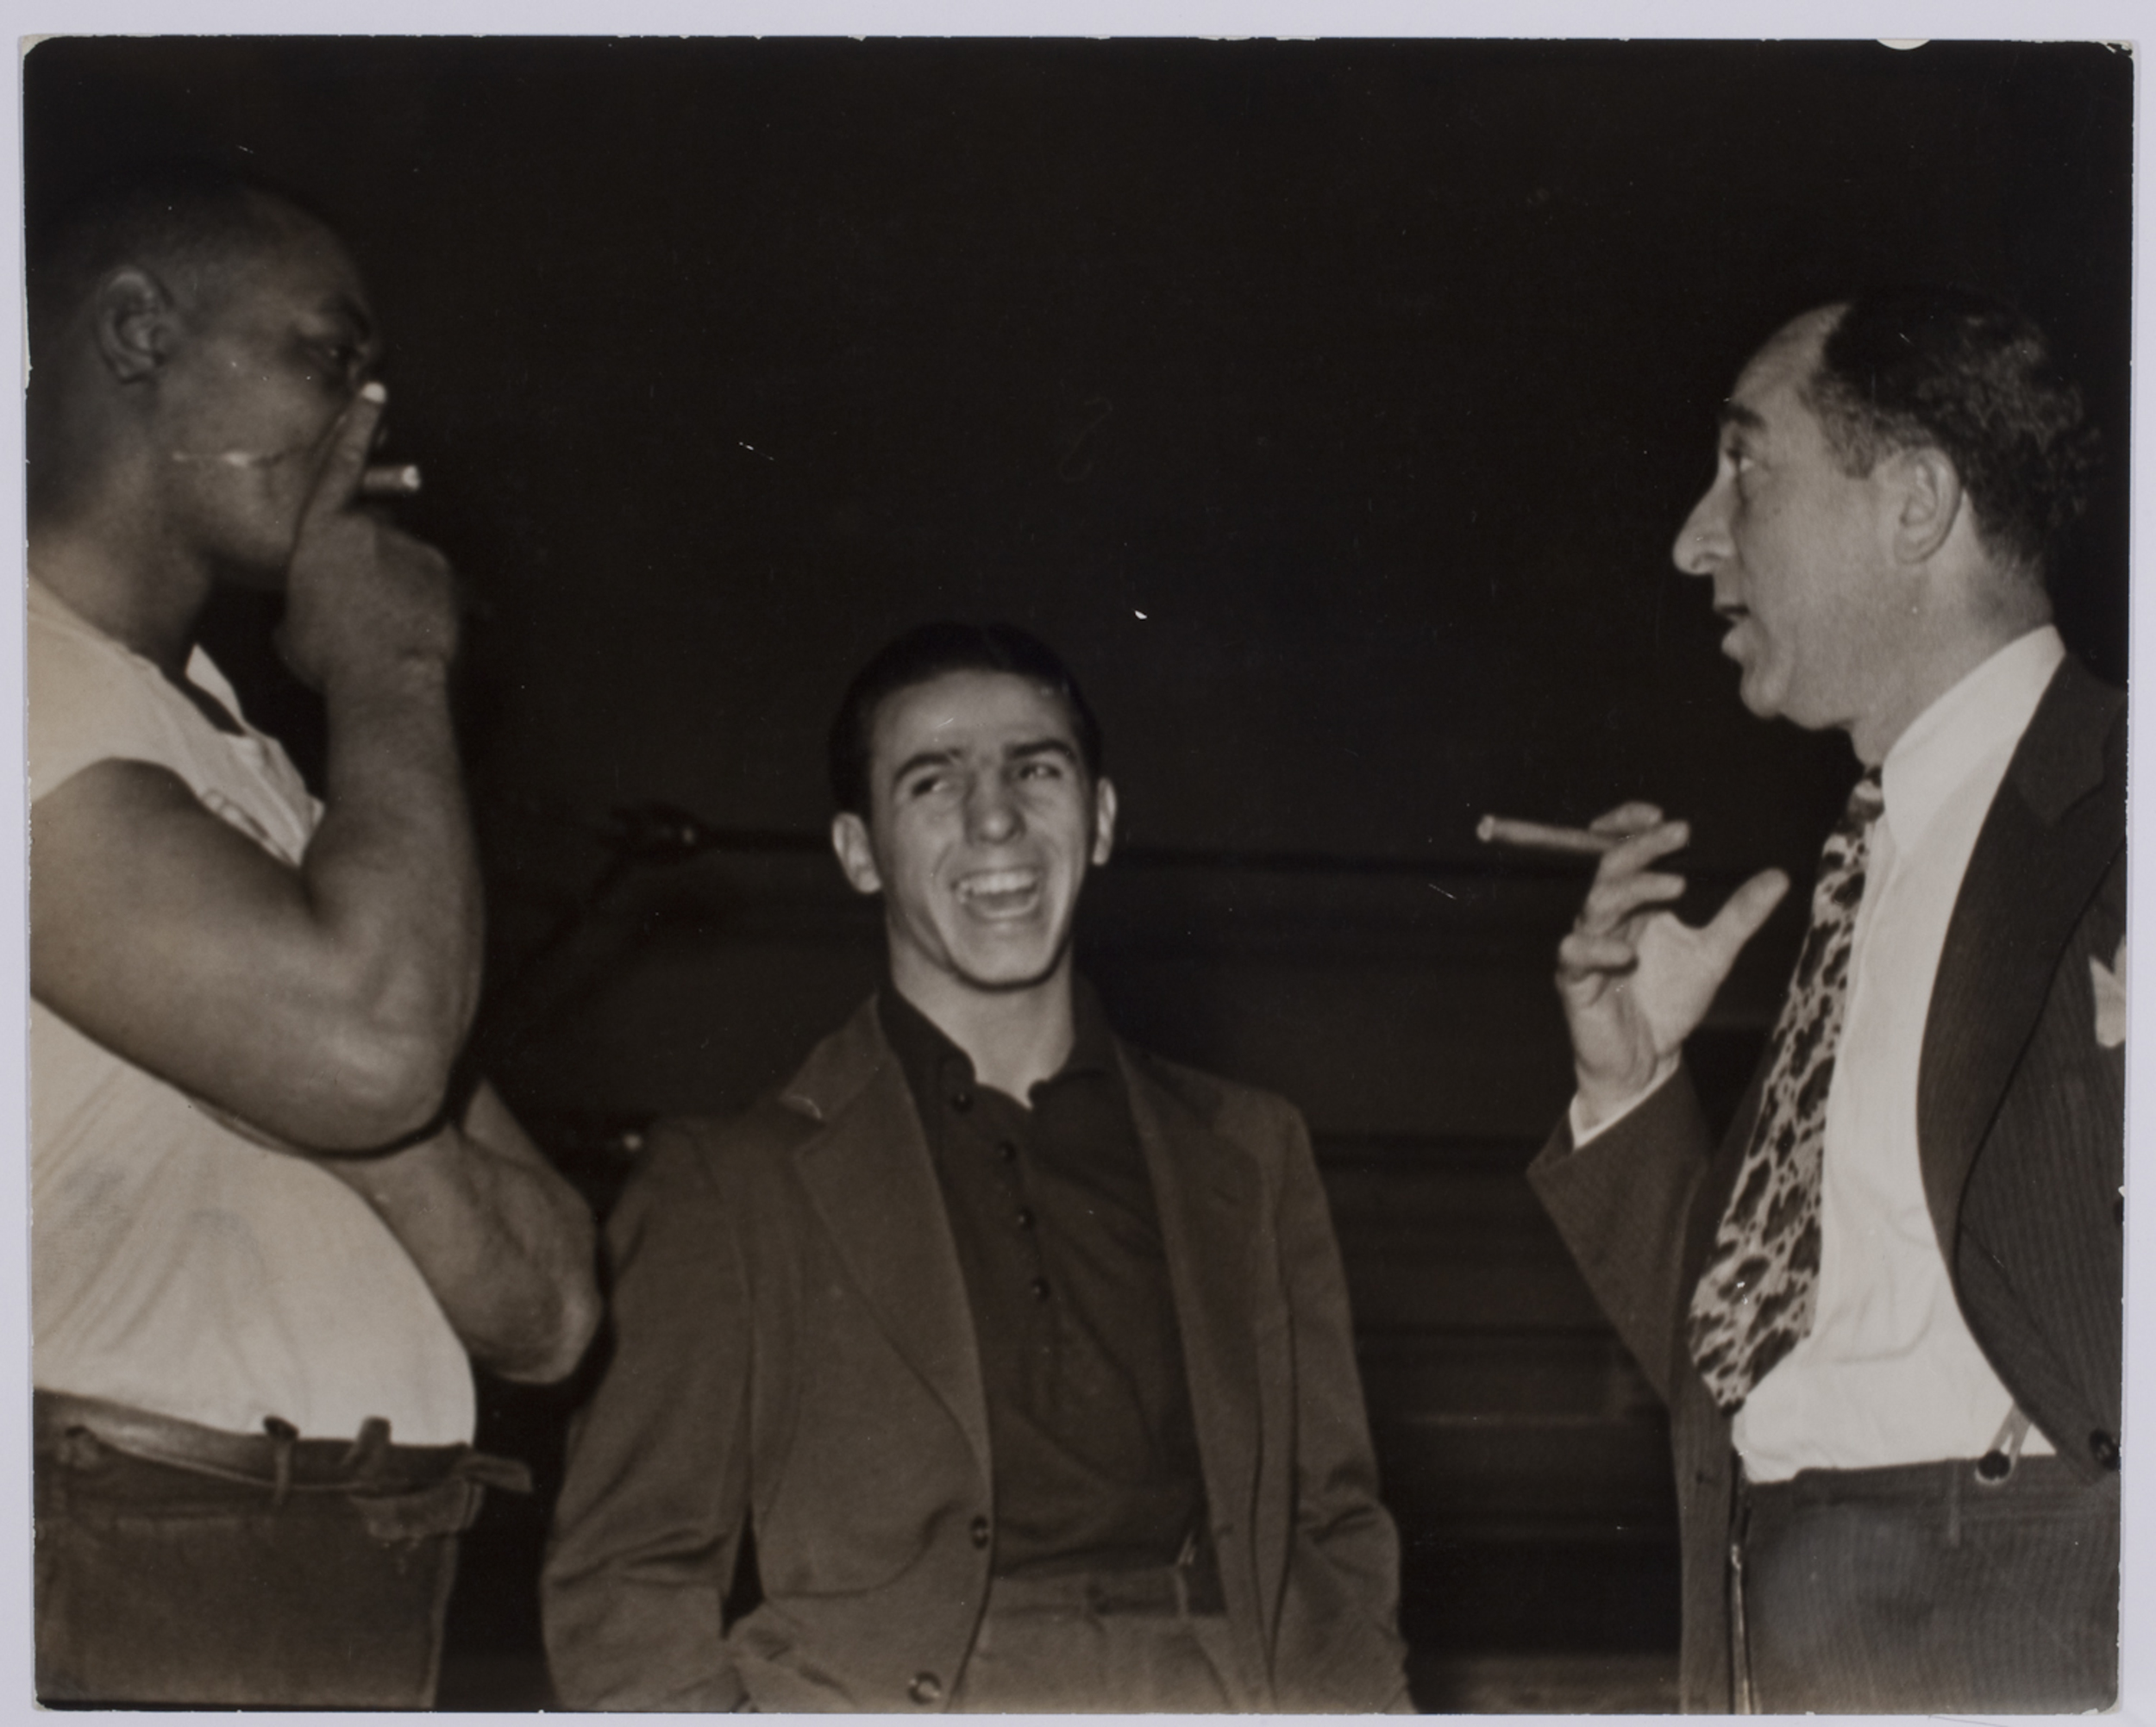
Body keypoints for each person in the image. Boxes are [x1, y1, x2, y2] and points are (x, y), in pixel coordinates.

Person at [542, 621, 1407, 1711]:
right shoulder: (730, 1181)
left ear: (1097, 820)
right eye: (931, 783)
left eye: (1034, 769)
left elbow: (1329, 1528)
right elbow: (626, 1577)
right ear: (858, 851)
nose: (994, 817)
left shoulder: (1249, 1147)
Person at [25, 163, 602, 1707]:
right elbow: (379, 1045)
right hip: (122, 1569)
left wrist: (311, 1087)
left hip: (351, 1575)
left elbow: (548, 1299)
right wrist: (395, 664)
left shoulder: (238, 758)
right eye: (325, 358)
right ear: (137, 333)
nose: (368, 428)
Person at [1529, 289, 2120, 1712]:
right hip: (1776, 1603)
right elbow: (1757, 1347)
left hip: (2020, 1618)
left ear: (1913, 501)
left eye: (1746, 465)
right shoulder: (1872, 851)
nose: (1694, 540)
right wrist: (1635, 1086)